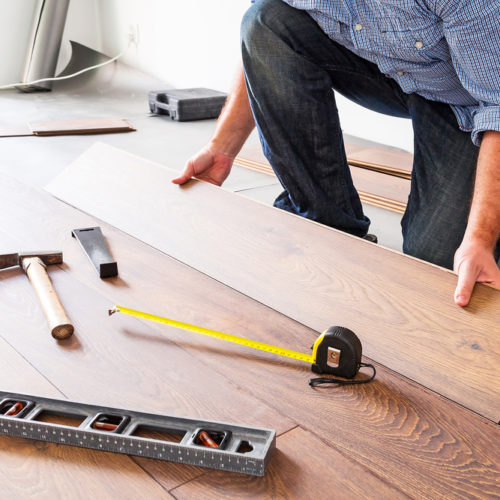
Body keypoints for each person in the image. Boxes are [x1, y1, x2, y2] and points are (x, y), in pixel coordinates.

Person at [173, 0, 500, 307]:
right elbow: (262, 40)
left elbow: (497, 108)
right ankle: (328, 226)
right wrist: (220, 149)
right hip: (392, 69)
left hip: (466, 99)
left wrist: (480, 239)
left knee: (440, 264)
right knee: (266, 20)